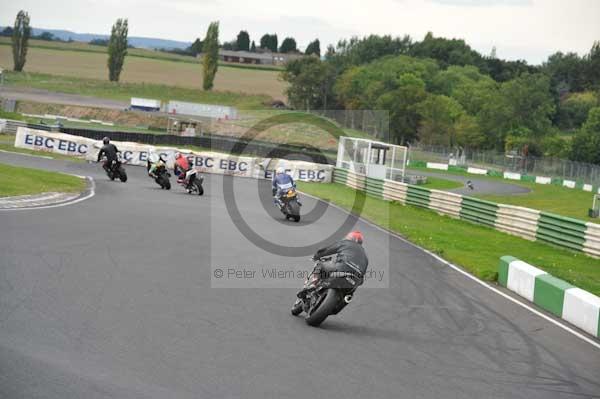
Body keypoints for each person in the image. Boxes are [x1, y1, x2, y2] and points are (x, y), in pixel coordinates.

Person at [297, 231, 369, 298]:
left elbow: (328, 250)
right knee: (349, 295)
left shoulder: (346, 243)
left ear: (350, 238)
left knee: (321, 264)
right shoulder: (365, 255)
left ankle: (313, 284)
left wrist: (316, 256)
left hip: (341, 268)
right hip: (356, 278)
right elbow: (362, 276)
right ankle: (344, 299)